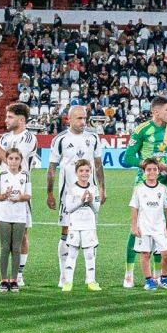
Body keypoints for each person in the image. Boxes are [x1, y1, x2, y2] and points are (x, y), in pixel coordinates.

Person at [119, 96, 167, 288]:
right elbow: (127, 157)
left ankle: (158, 276)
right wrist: (149, 165)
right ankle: (129, 273)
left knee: (161, 230)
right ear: (155, 112)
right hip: (143, 185)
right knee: (137, 230)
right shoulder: (141, 130)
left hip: (165, 186)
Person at [0, 102, 38, 288]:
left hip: (20, 187)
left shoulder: (28, 138)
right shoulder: (4, 138)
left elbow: (14, 162)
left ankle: (18, 275)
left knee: (22, 234)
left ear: (21, 119)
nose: (6, 120)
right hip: (1, 186)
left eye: (10, 117)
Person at [47, 104, 105, 290]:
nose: (83, 121)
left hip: (90, 194)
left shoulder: (93, 138)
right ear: (69, 119)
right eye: (79, 118)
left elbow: (98, 165)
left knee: (90, 232)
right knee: (66, 233)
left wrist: (102, 188)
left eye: (84, 117)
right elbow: (52, 168)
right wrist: (49, 192)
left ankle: (91, 278)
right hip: (68, 196)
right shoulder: (60, 140)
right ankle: (64, 276)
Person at [129, 158, 167, 291]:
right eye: (148, 169)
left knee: (166, 253)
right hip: (144, 227)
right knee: (145, 255)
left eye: (154, 169)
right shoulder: (139, 189)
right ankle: (149, 280)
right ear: (144, 172)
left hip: (159, 227)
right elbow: (134, 208)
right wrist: (134, 226)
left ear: (158, 171)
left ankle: (165, 279)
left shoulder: (163, 189)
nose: (152, 172)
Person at [58, 158, 103, 291]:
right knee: (72, 254)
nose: (84, 173)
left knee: (90, 255)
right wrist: (81, 200)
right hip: (75, 226)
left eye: (87, 170)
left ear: (91, 172)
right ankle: (67, 282)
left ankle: (91, 281)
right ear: (76, 172)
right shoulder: (71, 189)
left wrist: (89, 202)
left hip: (89, 226)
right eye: (81, 170)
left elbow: (97, 209)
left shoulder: (94, 189)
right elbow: (69, 208)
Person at [0, 148, 32, 292]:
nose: (13, 161)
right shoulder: (1, 175)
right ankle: (3, 280)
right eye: (11, 158)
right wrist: (4, 195)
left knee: (16, 248)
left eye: (16, 159)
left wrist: (21, 197)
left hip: (20, 216)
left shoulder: (25, 176)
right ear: (6, 160)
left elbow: (28, 196)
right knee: (4, 248)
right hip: (4, 216)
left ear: (21, 161)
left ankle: (14, 280)